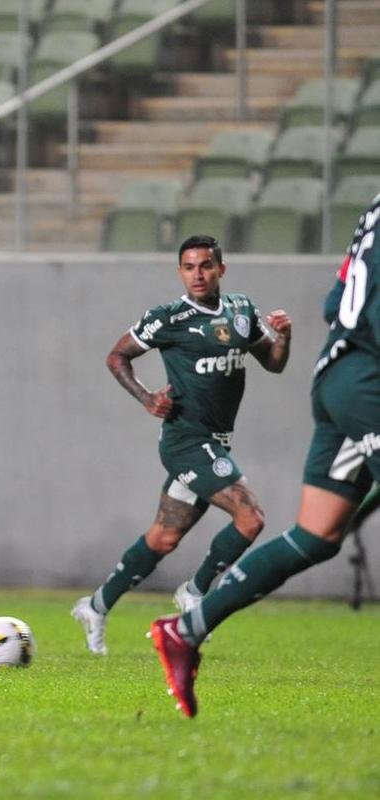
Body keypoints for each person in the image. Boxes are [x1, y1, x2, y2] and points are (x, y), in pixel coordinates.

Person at [151, 201, 380, 716]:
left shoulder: (372, 211)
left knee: (315, 536)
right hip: (370, 381)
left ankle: (187, 629)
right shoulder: (173, 318)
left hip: (339, 373)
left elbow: (335, 300)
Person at [72, 235, 292, 655]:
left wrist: (284, 337)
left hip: (217, 443)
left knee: (164, 537)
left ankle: (96, 605)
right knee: (251, 517)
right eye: (189, 267)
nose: (198, 274)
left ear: (221, 270)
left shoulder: (242, 310)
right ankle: (195, 592)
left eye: (206, 266)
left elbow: (275, 363)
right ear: (180, 271)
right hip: (186, 441)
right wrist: (147, 397)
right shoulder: (169, 318)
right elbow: (117, 356)